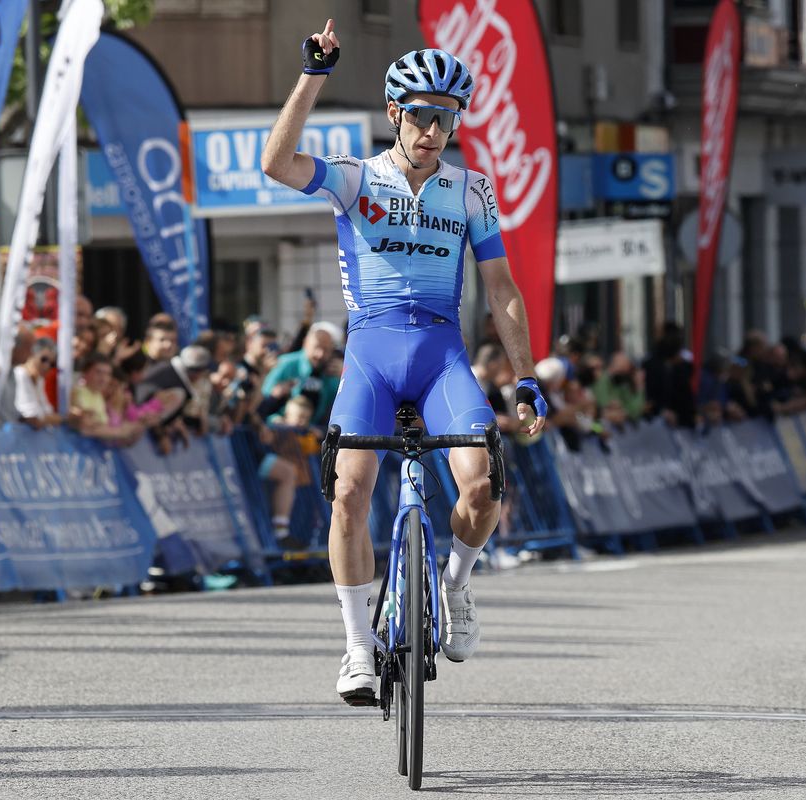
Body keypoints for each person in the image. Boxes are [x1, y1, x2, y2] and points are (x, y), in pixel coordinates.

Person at [261, 23, 548, 704]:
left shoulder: (472, 190)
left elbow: (502, 290)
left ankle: (455, 586)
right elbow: (276, 163)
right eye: (420, 115)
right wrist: (314, 74)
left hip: (441, 356)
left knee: (481, 485)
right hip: (372, 354)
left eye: (445, 118)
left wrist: (526, 378)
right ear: (395, 114)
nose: (432, 129)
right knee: (351, 493)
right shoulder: (357, 178)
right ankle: (358, 649)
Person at [259, 322, 342, 426]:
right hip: (280, 434)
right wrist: (276, 420)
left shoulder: (332, 372)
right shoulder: (286, 364)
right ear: (305, 343)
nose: (319, 354)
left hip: (312, 437)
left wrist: (344, 376)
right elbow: (263, 400)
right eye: (316, 347)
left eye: (326, 350)